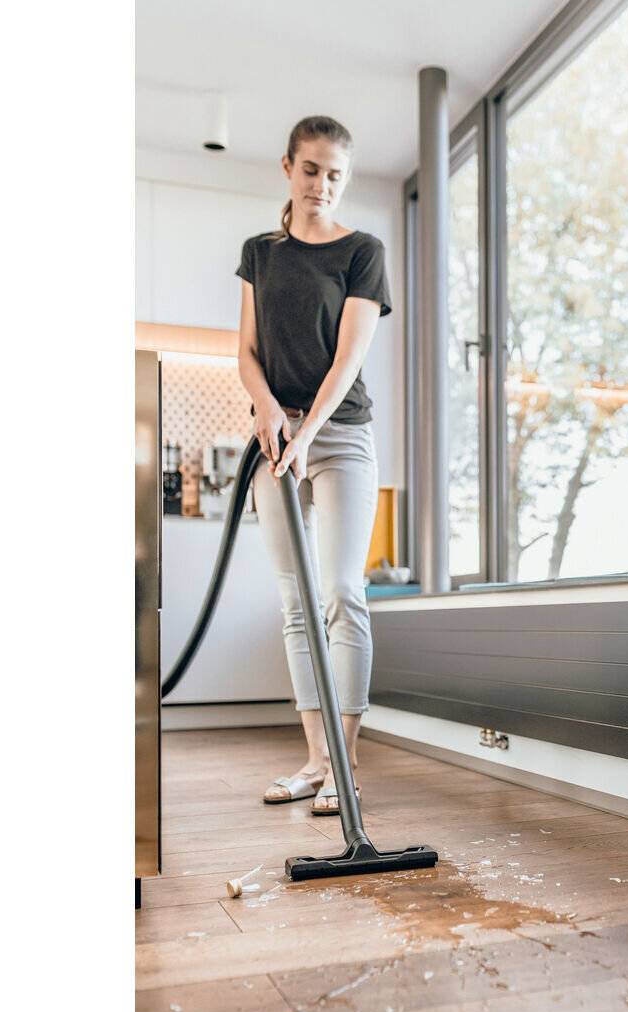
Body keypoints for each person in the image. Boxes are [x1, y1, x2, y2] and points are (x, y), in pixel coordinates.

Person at [235, 115, 391, 814]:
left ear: (344, 178)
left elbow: (350, 356)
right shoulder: (259, 253)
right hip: (275, 439)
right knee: (294, 601)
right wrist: (268, 410)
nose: (322, 184)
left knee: (340, 593)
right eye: (310, 169)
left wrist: (307, 433)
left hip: (340, 434)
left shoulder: (362, 250)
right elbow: (246, 350)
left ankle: (346, 767)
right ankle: (314, 760)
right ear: (287, 169)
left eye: (334, 173)